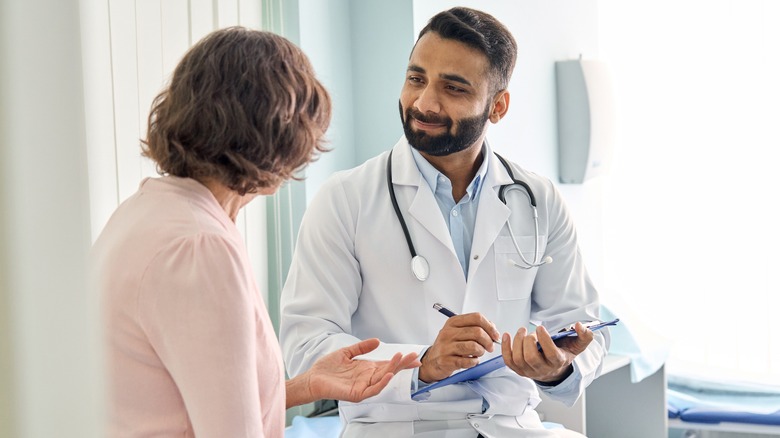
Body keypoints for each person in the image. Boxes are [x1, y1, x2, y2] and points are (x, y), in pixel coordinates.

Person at [280, 7, 609, 438]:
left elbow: (585, 328)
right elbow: (305, 348)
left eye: (453, 88)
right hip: (395, 427)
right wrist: (424, 362)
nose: (424, 102)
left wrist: (557, 367)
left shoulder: (538, 200)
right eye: (416, 79)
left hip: (511, 427)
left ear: (498, 106)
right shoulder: (345, 200)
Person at [90, 27, 420, 437]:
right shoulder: (200, 247)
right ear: (278, 137)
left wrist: (308, 385)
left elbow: (189, 402)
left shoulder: (145, 211)